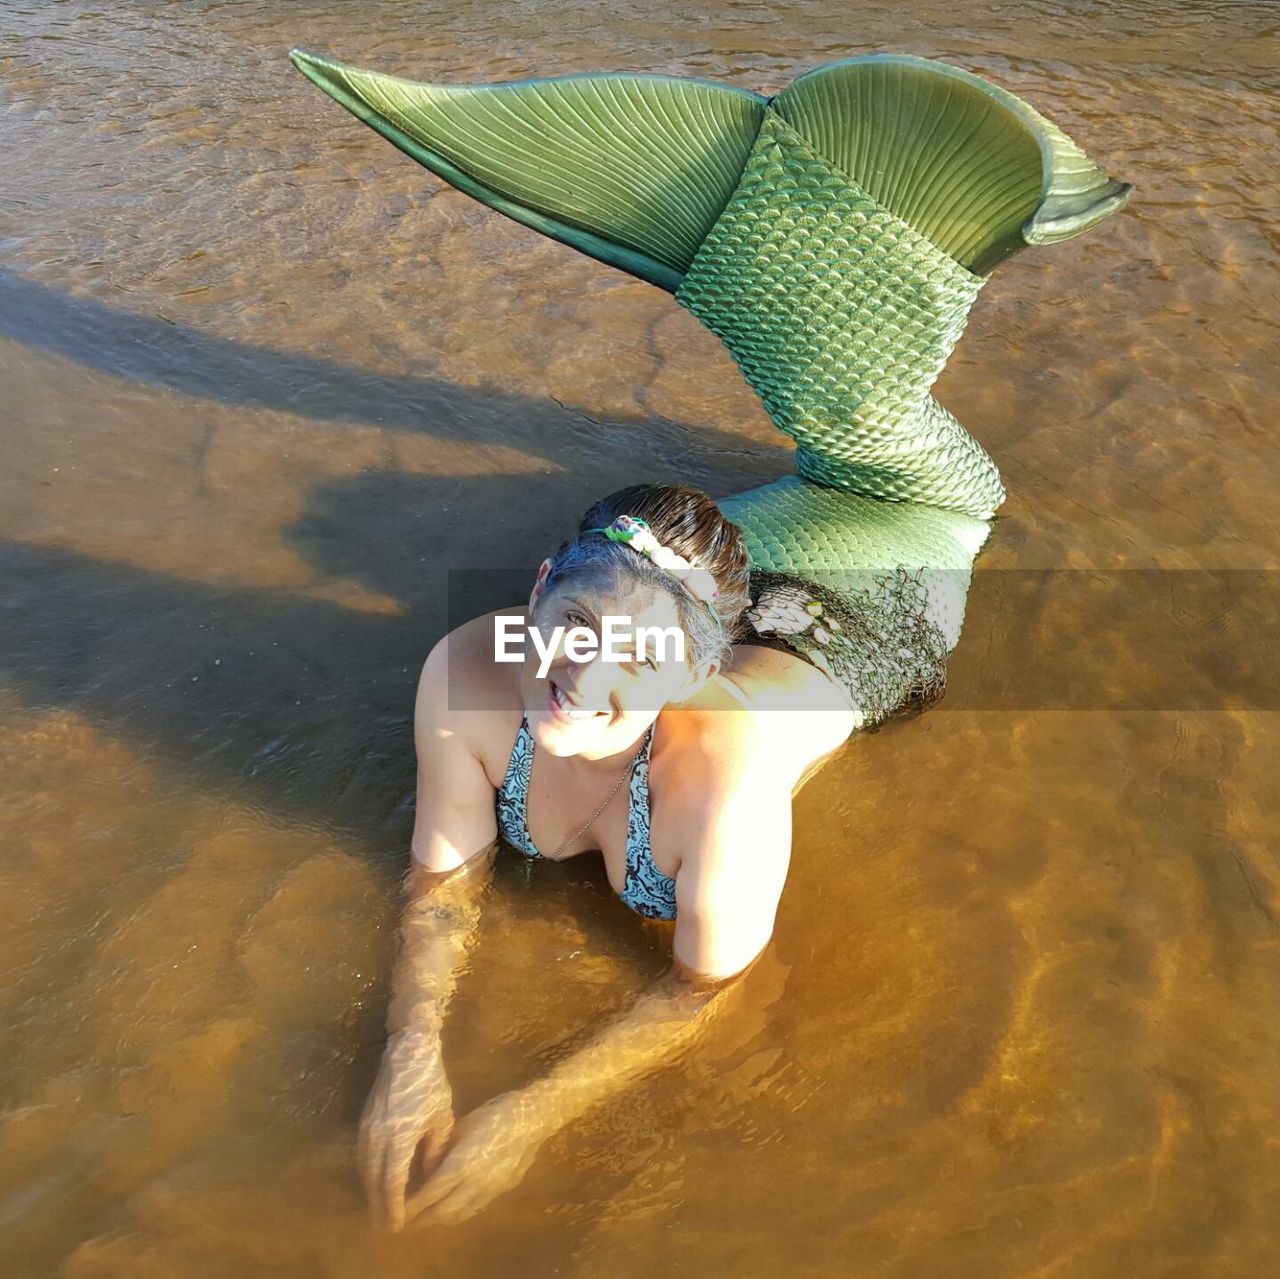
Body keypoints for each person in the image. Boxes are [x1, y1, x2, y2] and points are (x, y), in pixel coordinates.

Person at [357, 481, 902, 1229]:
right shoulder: (464, 672)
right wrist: (409, 1043)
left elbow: (704, 989)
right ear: (541, 587)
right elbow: (443, 882)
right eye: (576, 622)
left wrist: (531, 1114)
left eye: (640, 659)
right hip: (711, 610)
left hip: (857, 640)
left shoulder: (725, 785)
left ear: (689, 678)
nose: (583, 677)